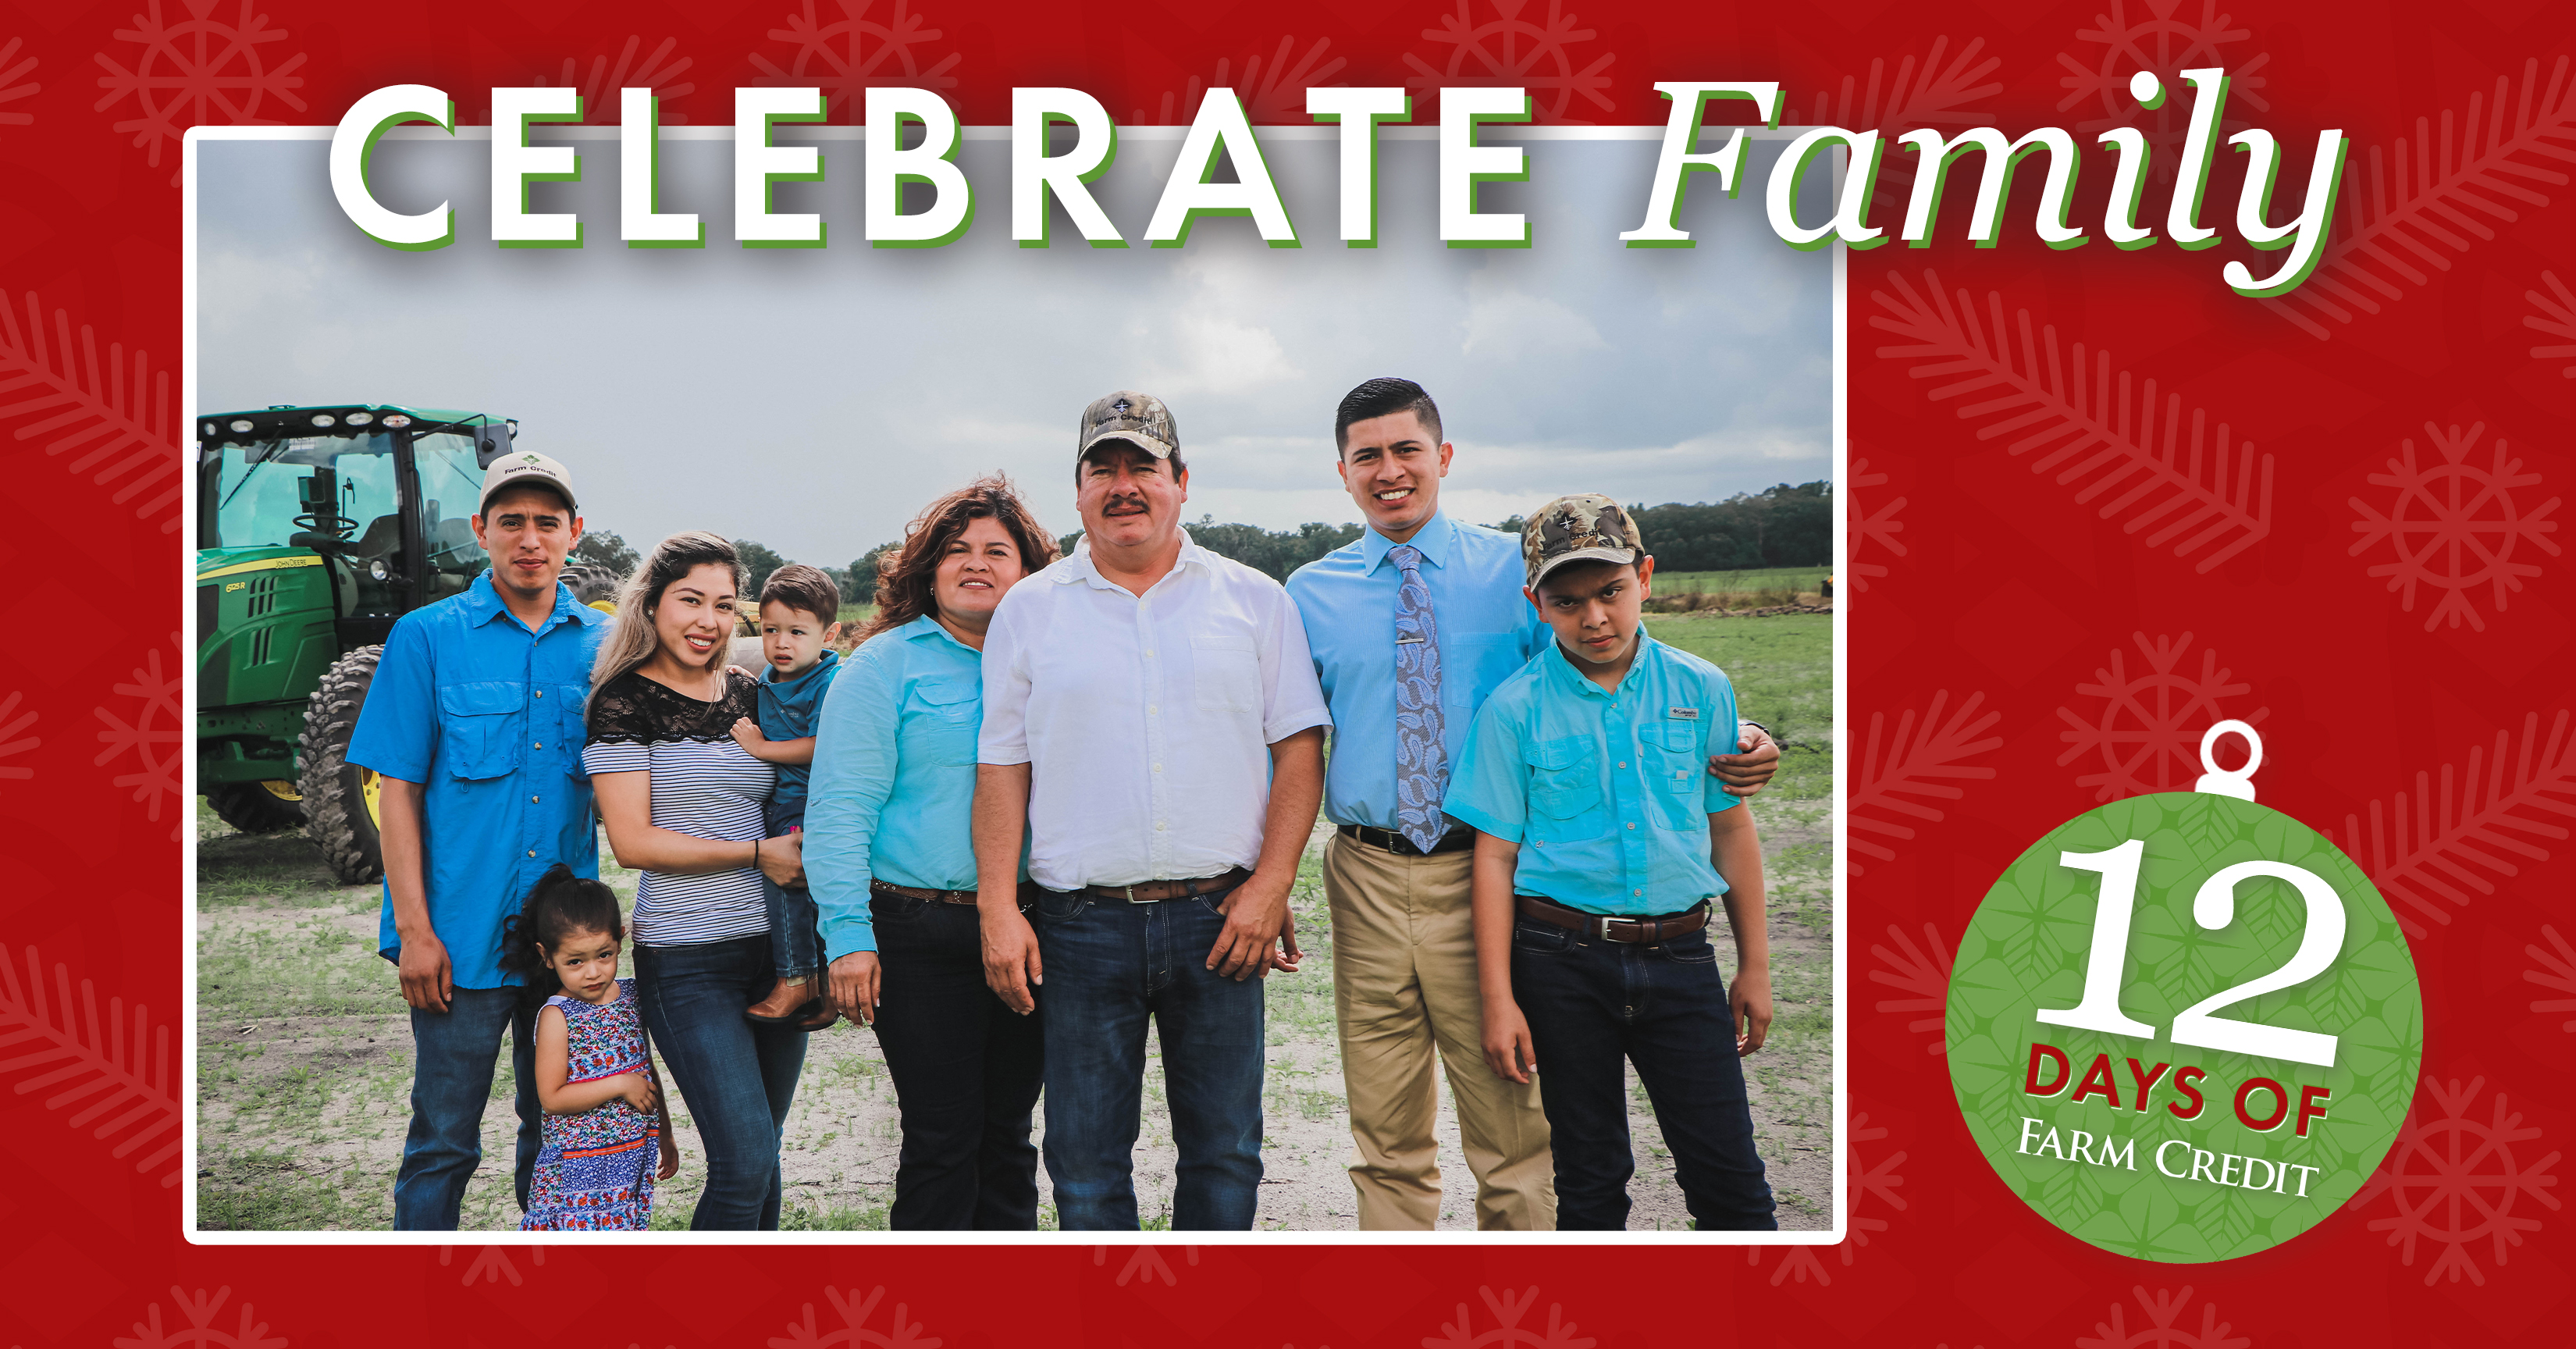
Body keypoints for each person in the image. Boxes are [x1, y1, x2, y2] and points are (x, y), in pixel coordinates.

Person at [1283, 377, 1784, 1231]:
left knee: (1512, 1128)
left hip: (1489, 872)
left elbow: (1600, 672)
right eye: (1368, 456)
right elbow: (1286, 743)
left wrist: (1735, 737)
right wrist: (1267, 879)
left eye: (1407, 449)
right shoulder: (1307, 594)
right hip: (1364, 870)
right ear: (1342, 471)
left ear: (1442, 457)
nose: (1390, 470)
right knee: (1385, 1129)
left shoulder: (1505, 574)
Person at [973, 390, 1331, 1231]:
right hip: (1080, 924)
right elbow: (1001, 768)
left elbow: (1300, 751)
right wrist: (997, 907)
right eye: (1105, 469)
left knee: (1226, 1150)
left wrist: (1271, 884)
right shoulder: (1030, 609)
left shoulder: (1254, 600)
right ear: (1078, 490)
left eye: (1144, 467)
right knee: (1088, 1161)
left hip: (1222, 918)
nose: (1124, 485)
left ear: (1182, 482)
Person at [1447, 496, 1778, 1231]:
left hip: (1682, 958)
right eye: (1567, 602)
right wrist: (1499, 1000)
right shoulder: (1513, 709)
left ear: (1645, 578)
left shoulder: (1702, 688)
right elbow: (1494, 860)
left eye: (1610, 592)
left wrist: (1753, 965)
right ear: (1537, 604)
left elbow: (1730, 830)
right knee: (1591, 1179)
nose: (1594, 618)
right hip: (1558, 965)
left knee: (1730, 1178)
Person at [347, 449, 607, 1230]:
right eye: (512, 522)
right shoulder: (425, 639)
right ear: (481, 530)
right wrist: (416, 933)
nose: (530, 539)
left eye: (547, 523)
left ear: (574, 534)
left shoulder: (605, 646)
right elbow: (398, 794)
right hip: (456, 943)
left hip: (564, 952)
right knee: (443, 1142)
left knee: (558, 1135)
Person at [805, 476, 1061, 1230]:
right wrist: (848, 939)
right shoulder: (883, 667)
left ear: (1028, 571)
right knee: (943, 1138)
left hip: (1031, 927)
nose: (976, 563)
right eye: (956, 551)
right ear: (927, 568)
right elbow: (840, 810)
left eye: (996, 551)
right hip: (921, 932)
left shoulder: (1052, 662)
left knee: (1011, 1138)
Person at [584, 532, 809, 1230]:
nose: (708, 621)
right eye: (690, 601)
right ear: (652, 604)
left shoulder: (752, 692)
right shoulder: (622, 702)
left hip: (777, 956)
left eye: (723, 604)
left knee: (764, 1157)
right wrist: (756, 854)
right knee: (742, 1161)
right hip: (688, 961)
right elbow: (633, 842)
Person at [500, 863, 678, 1231]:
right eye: (575, 962)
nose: (593, 972)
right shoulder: (557, 1015)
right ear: (547, 956)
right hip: (578, 1168)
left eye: (604, 955)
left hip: (629, 1157)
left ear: (621, 940)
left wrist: (666, 1132)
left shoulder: (631, 996)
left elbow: (644, 1070)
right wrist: (619, 1084)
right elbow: (551, 1097)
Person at [731, 564, 849, 1030]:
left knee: (786, 886)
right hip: (783, 803)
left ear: (829, 633)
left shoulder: (831, 681)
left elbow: (825, 744)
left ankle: (797, 976)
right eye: (771, 630)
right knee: (803, 895)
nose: (781, 643)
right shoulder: (769, 680)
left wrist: (761, 749)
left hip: (812, 805)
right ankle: (820, 983)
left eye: (797, 632)